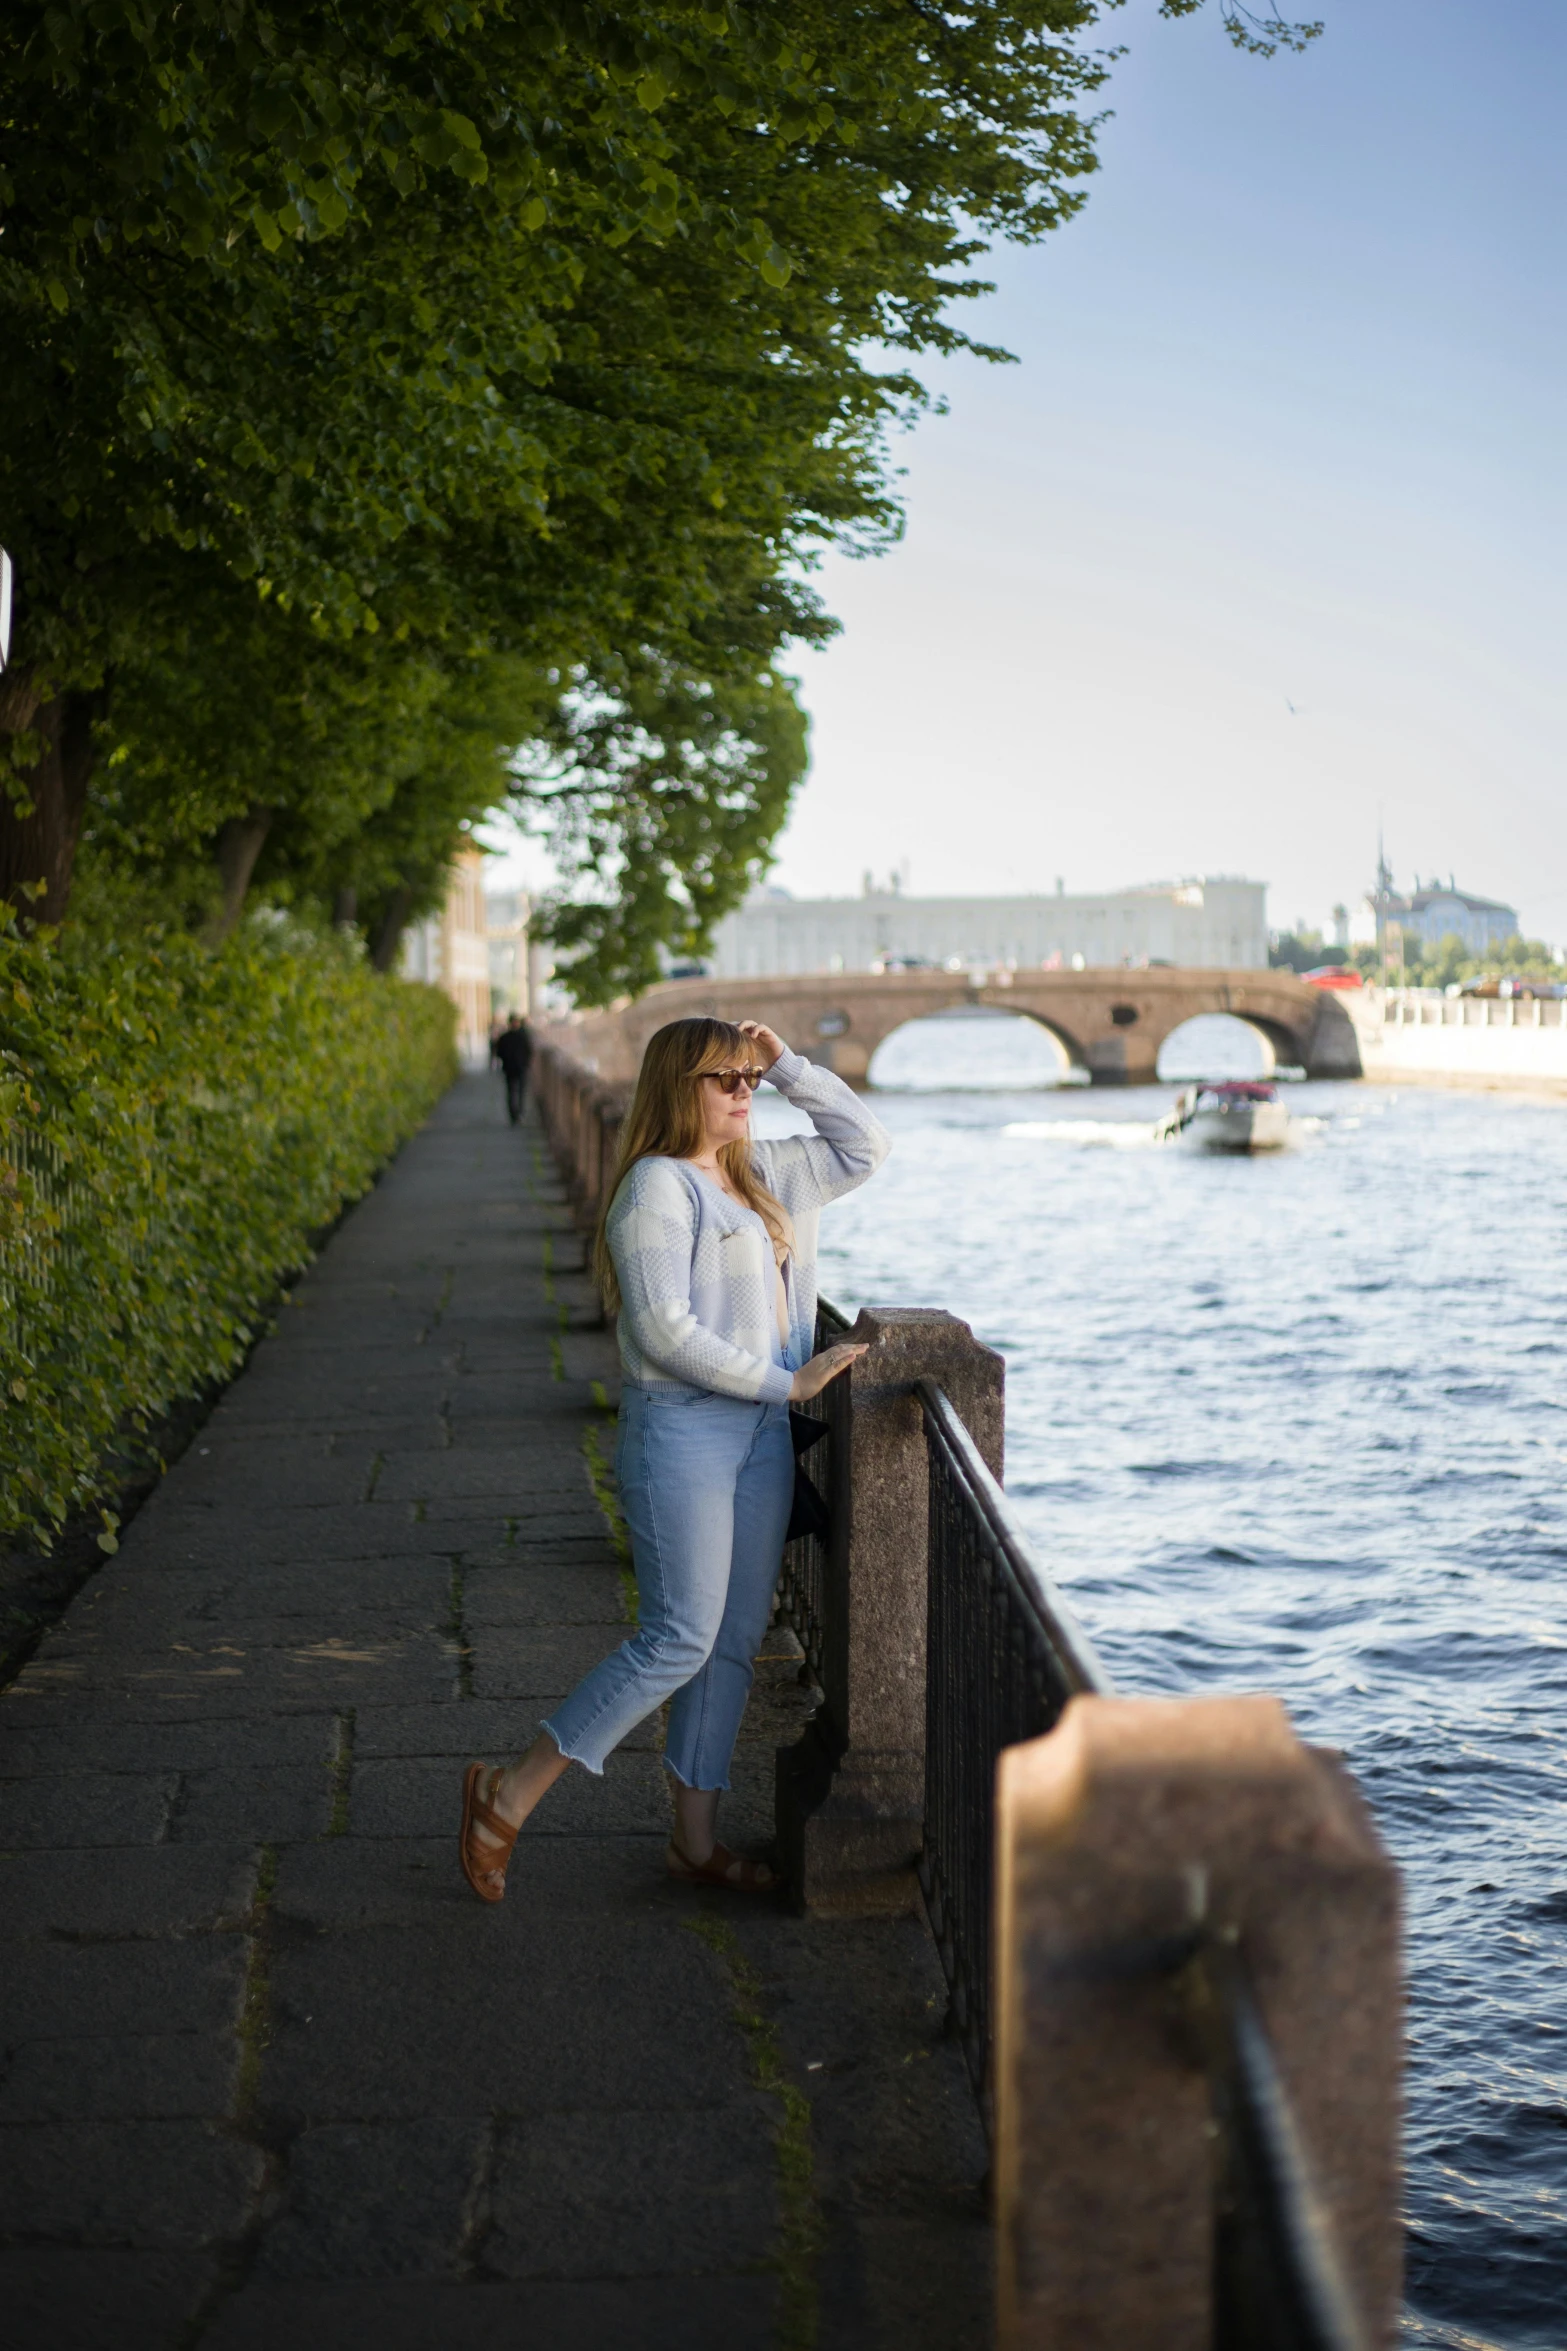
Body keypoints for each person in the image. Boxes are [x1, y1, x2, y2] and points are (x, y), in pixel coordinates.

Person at [459, 1015, 888, 1900]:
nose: (743, 1090)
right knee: (678, 1635)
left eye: (748, 1077)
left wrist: (789, 1064)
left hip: (759, 1438)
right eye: (723, 1077)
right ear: (676, 1086)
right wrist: (789, 1384)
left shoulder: (766, 1170)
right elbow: (660, 1331)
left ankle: (693, 1841)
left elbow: (865, 1144)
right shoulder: (655, 1188)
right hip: (687, 1428)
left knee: (731, 1641)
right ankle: (506, 1793)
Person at [494, 1013, 532, 1124]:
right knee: (518, 1091)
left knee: (513, 1091)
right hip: (519, 1067)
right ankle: (518, 1113)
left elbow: (499, 1052)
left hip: (510, 1068)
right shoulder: (523, 1036)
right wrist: (525, 1063)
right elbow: (529, 1052)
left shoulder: (504, 1037)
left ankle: (515, 1114)